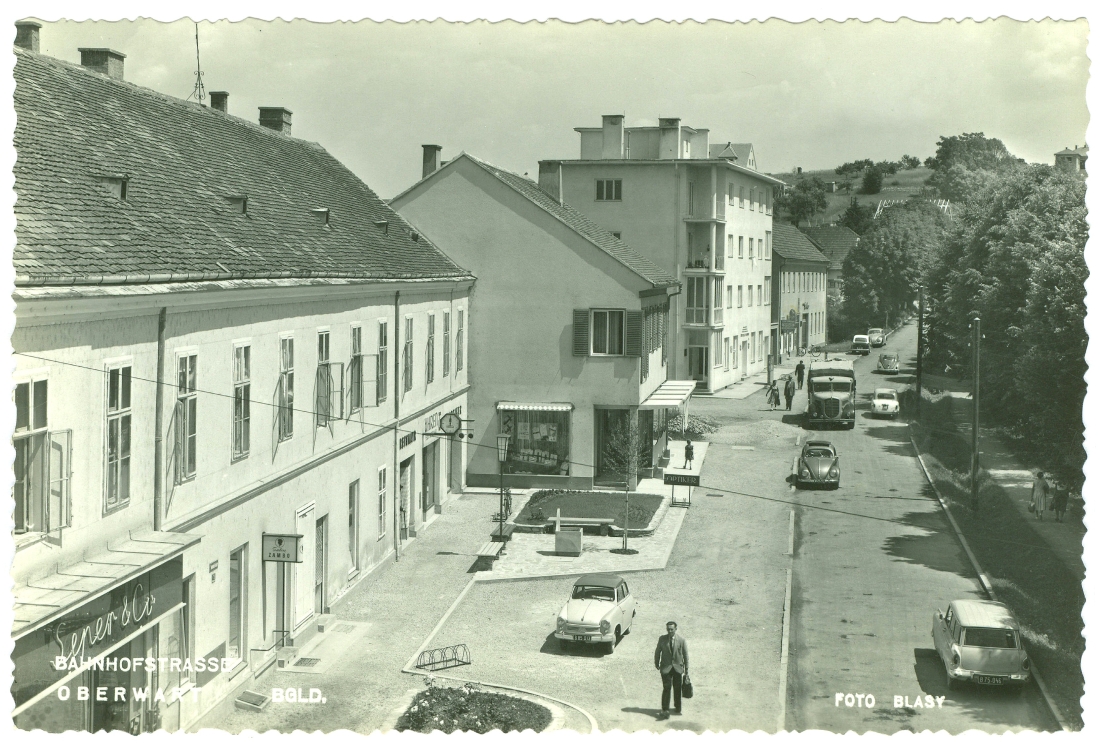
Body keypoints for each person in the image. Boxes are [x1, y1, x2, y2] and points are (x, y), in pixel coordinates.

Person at [654, 621, 689, 716]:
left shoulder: (681, 640)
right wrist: (656, 662)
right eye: (668, 629)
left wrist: (687, 669)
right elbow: (657, 651)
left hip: (677, 668)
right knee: (667, 688)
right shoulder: (662, 639)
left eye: (672, 629)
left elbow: (685, 655)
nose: (670, 631)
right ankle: (665, 709)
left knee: (677, 688)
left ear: (676, 629)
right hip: (666, 667)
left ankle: (678, 707)